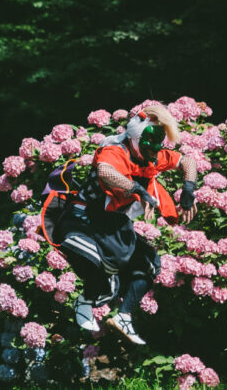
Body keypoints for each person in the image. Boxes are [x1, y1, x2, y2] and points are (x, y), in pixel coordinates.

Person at [53, 105, 198, 345]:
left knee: (148, 263)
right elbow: (106, 172)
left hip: (114, 224)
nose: (154, 150)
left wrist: (189, 188)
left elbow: (188, 161)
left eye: (158, 143)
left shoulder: (153, 155)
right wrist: (136, 188)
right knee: (98, 264)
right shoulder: (115, 149)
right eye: (150, 142)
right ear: (135, 137)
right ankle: (85, 301)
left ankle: (124, 316)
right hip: (84, 219)